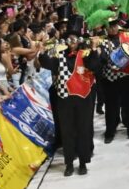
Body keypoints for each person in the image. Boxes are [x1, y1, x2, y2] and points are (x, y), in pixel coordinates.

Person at [40, 36, 97, 176]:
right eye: (70, 39)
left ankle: (83, 162)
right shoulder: (59, 55)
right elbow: (48, 64)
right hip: (64, 98)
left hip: (83, 97)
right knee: (67, 131)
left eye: (75, 39)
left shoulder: (86, 54)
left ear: (79, 41)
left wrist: (94, 48)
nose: (72, 42)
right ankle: (69, 163)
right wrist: (41, 53)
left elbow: (95, 66)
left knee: (83, 129)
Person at [94, 20, 129, 143]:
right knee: (111, 106)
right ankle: (110, 131)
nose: (113, 29)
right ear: (106, 28)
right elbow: (102, 59)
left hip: (128, 76)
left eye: (114, 26)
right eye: (110, 27)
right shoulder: (102, 40)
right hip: (110, 78)